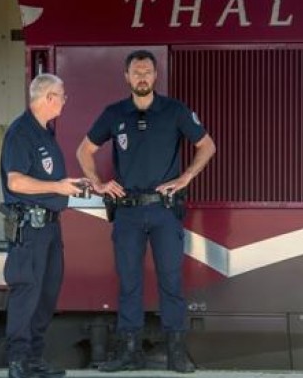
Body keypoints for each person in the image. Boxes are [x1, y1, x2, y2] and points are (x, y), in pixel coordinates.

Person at [76, 50, 216, 373]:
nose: (142, 77)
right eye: (136, 72)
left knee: (171, 281)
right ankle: (129, 354)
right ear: (126, 77)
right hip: (127, 212)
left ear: (156, 76)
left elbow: (207, 145)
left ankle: (177, 355)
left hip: (164, 211)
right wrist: (97, 182)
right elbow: (84, 150)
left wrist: (186, 177)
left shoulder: (175, 110)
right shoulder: (114, 113)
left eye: (147, 72)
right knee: (129, 283)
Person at [0, 73, 86, 378]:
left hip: (49, 227)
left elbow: (50, 181)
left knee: (46, 294)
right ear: (49, 97)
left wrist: (66, 184)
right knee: (27, 293)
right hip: (29, 228)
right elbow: (16, 181)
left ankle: (34, 358)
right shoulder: (21, 133)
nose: (64, 101)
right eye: (62, 95)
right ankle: (18, 362)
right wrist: (59, 188)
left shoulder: (45, 133)